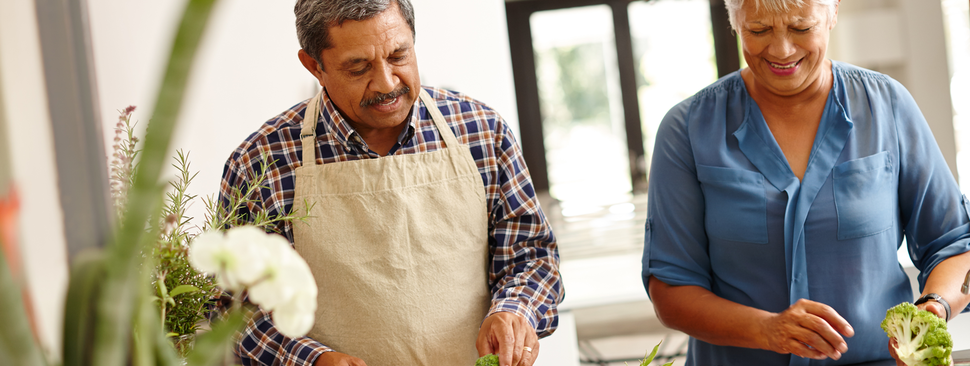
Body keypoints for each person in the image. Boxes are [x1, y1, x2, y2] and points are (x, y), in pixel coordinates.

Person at [219, 1, 563, 365]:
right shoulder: (259, 163)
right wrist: (311, 360)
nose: (386, 83)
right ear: (314, 66)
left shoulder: (481, 131)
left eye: (399, 55)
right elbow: (236, 309)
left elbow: (532, 255)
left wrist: (515, 311)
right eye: (358, 67)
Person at [641, 0, 970, 365]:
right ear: (734, 23)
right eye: (759, 30)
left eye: (800, 28)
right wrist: (767, 330)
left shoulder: (887, 105)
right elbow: (671, 290)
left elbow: (955, 244)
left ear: (832, 13)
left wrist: (933, 309)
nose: (781, 50)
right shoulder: (686, 129)